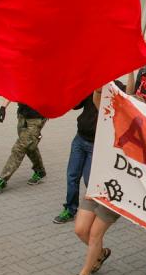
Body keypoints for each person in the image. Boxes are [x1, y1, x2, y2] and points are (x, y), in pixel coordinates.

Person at [54, 75, 134, 224]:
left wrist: (131, 72)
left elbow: (129, 95)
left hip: (95, 144)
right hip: (80, 139)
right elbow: (75, 105)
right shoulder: (91, 84)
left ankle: (99, 211)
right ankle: (70, 209)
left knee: (90, 180)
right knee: (72, 176)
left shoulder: (117, 88)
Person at [0, 101, 47, 194]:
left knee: (19, 148)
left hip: (36, 118)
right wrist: (3, 107)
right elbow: (14, 89)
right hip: (22, 115)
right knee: (29, 146)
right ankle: (40, 171)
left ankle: (2, 180)